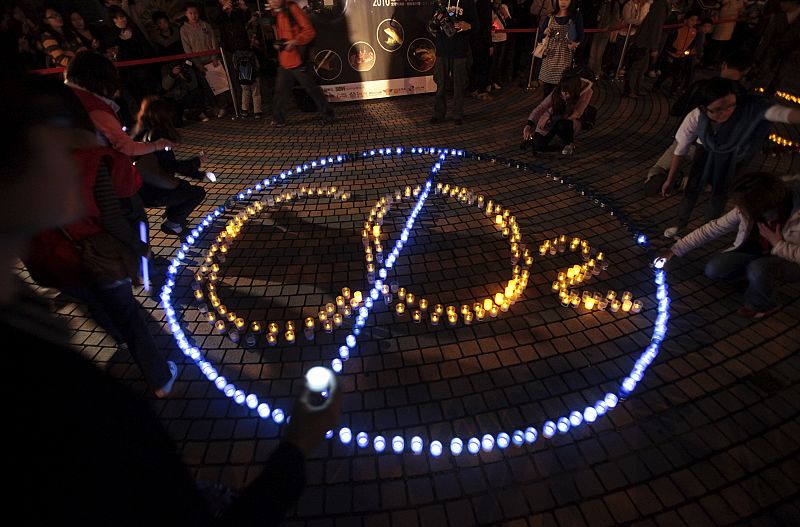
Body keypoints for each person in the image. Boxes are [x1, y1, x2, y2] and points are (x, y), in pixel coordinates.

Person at [3, 73, 341, 524]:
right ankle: (157, 369)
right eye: (57, 141)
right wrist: (297, 447)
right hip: (94, 271)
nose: (75, 155)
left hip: (78, 272)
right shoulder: (58, 394)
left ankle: (152, 365)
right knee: (124, 313)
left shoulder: (34, 322)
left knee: (116, 312)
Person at [661, 78, 800, 239]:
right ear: (704, 107)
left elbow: (776, 113)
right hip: (704, 152)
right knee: (692, 188)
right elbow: (681, 150)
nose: (725, 112)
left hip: (734, 156)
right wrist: (669, 179)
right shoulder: (696, 117)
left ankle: (707, 230)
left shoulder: (745, 113)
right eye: (718, 109)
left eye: (730, 106)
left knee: (720, 193)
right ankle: (680, 224)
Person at [660, 173, 800, 318]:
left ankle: (764, 304)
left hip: (791, 261)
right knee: (714, 269)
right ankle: (758, 279)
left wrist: (779, 244)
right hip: (757, 253)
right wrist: (675, 249)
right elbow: (713, 229)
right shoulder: (751, 204)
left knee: (760, 268)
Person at [645, 50, 753, 195]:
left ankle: (665, 179)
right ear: (746, 70)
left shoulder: (701, 86)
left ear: (724, 65)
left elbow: (678, 110)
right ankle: (686, 182)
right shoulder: (741, 96)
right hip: (713, 150)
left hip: (687, 139)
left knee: (658, 169)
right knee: (712, 182)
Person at [132, 96, 208, 235]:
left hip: (139, 189)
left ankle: (172, 215)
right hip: (151, 191)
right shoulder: (157, 135)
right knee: (196, 192)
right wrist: (197, 162)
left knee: (184, 187)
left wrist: (197, 173)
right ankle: (172, 223)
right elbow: (172, 166)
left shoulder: (140, 131)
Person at [269, 0, 335, 126]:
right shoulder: (277, 13)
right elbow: (284, 34)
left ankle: (328, 115)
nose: (271, 2)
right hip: (285, 60)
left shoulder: (292, 8)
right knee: (280, 91)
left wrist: (295, 41)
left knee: (312, 89)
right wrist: (279, 44)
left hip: (298, 59)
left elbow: (310, 32)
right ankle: (278, 119)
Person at [428, 0, 479, 125]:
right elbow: (431, 25)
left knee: (459, 85)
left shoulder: (468, 3)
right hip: (442, 50)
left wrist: (468, 26)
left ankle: (458, 114)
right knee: (441, 84)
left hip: (460, 51)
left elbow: (477, 25)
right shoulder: (439, 2)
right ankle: (438, 113)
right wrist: (435, 22)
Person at [522, 73, 595, 155]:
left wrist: (550, 116)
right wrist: (529, 124)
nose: (564, 94)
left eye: (567, 92)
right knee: (538, 146)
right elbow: (541, 107)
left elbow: (575, 115)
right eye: (563, 91)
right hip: (553, 118)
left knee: (562, 124)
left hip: (569, 122)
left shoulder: (586, 93)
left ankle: (568, 143)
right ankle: (557, 146)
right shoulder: (557, 91)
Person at [181, 1, 227, 118]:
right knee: (207, 87)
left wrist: (214, 56)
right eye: (190, 13)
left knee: (220, 84)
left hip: (211, 59)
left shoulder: (205, 25)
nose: (193, 15)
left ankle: (223, 106)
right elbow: (188, 48)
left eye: (195, 12)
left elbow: (212, 41)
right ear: (186, 14)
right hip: (199, 62)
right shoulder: (184, 30)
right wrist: (197, 64)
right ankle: (214, 107)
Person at [536, 0, 584, 97]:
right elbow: (540, 37)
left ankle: (557, 109)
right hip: (549, 56)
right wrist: (545, 32)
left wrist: (575, 44)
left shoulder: (575, 16)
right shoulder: (550, 16)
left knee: (560, 89)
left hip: (564, 57)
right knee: (547, 90)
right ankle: (547, 110)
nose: (563, 2)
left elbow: (581, 35)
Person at [623, 0, 668, 98]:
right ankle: (630, 89)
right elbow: (656, 28)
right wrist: (654, 47)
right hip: (644, 42)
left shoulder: (658, 5)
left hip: (644, 40)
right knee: (637, 67)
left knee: (642, 67)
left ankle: (636, 88)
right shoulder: (660, 7)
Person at [652, 11, 701, 97]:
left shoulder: (694, 32)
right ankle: (656, 85)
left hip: (682, 57)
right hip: (672, 56)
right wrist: (674, 51)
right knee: (666, 73)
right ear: (686, 20)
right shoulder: (677, 31)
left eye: (695, 20)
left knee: (678, 75)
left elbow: (692, 44)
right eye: (691, 20)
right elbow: (668, 44)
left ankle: (672, 91)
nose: (693, 22)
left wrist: (687, 52)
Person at [488, 0, 512, 91]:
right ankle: (489, 82)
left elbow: (509, 21)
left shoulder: (504, 7)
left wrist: (504, 13)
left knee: (499, 62)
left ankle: (496, 81)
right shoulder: (490, 8)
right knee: (492, 62)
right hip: (494, 39)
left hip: (503, 38)